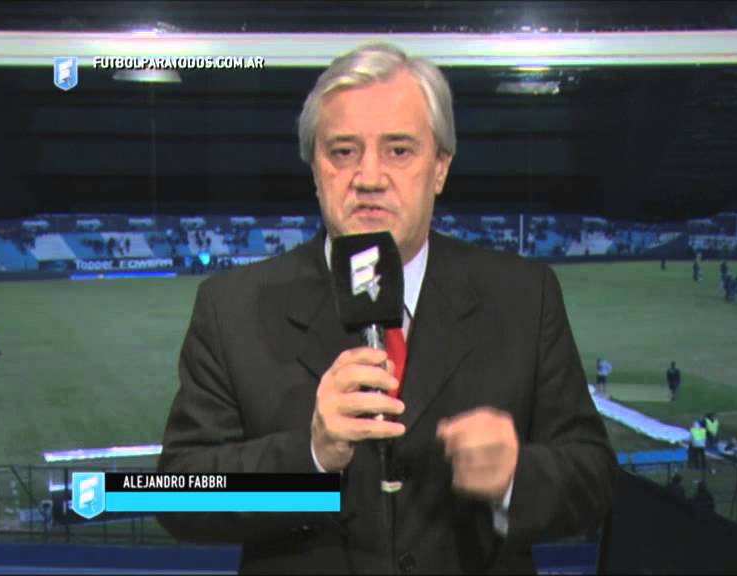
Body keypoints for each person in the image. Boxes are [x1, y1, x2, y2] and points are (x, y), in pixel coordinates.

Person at [156, 43, 615, 574]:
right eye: (342, 152)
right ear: (314, 170)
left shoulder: (524, 296)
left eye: (399, 150)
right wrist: (310, 459)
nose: (369, 177)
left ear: (440, 167)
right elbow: (173, 494)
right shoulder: (230, 307)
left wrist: (515, 477)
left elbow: (597, 479)